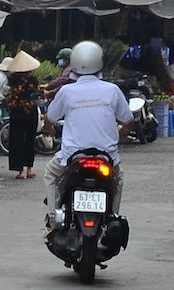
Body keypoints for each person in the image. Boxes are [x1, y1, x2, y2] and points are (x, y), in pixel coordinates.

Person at [43, 41, 134, 214]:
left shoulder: (66, 92)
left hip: (72, 157)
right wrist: (119, 133)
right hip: (106, 157)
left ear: (74, 63)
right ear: (100, 62)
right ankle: (113, 216)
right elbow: (129, 122)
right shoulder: (112, 90)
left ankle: (53, 218)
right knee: (118, 179)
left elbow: (50, 118)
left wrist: (50, 129)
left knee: (50, 174)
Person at [4, 51, 42, 180]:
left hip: (17, 112)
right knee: (30, 140)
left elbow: (11, 94)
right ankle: (29, 168)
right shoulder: (34, 79)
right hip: (31, 112)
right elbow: (38, 94)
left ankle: (21, 171)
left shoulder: (13, 79)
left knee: (17, 140)